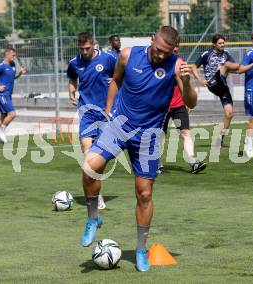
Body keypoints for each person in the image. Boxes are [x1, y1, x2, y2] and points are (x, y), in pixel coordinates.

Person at [81, 26, 197, 272]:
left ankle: (141, 249)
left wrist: (186, 82)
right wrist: (109, 113)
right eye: (158, 50)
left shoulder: (177, 66)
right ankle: (93, 218)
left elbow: (191, 103)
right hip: (119, 125)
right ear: (152, 40)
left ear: (174, 50)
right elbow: (116, 82)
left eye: (167, 53)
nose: (160, 56)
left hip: (149, 136)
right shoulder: (127, 55)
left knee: (144, 194)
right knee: (90, 167)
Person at [67, 32, 116, 212]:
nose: (85, 52)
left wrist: (116, 80)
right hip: (86, 112)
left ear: (93, 45)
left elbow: (121, 74)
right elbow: (72, 78)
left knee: (99, 158)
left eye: (88, 48)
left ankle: (96, 189)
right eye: (82, 49)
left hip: (105, 113)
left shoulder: (108, 59)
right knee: (88, 153)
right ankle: (97, 196)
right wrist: (71, 91)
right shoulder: (74, 63)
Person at [159, 40, 207, 174]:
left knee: (185, 132)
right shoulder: (160, 63)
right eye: (172, 46)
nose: (175, 49)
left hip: (179, 104)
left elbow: (186, 82)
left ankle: (193, 161)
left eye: (177, 46)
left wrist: (188, 100)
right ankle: (157, 164)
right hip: (162, 106)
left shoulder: (181, 61)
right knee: (160, 135)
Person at [191, 34, 236, 147]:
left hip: (222, 87)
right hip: (213, 83)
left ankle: (219, 140)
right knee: (226, 65)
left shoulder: (226, 54)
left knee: (229, 114)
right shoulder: (207, 54)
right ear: (214, 44)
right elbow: (193, 67)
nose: (222, 45)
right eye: (220, 43)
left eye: (223, 43)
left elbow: (234, 66)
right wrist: (201, 80)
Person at [0, 47, 27, 143]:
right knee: (12, 114)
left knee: (3, 116)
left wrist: (20, 73)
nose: (14, 57)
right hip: (2, 94)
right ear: (7, 54)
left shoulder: (12, 65)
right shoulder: (1, 66)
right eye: (13, 55)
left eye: (15, 55)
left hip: (8, 95)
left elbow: (13, 78)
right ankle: (1, 132)